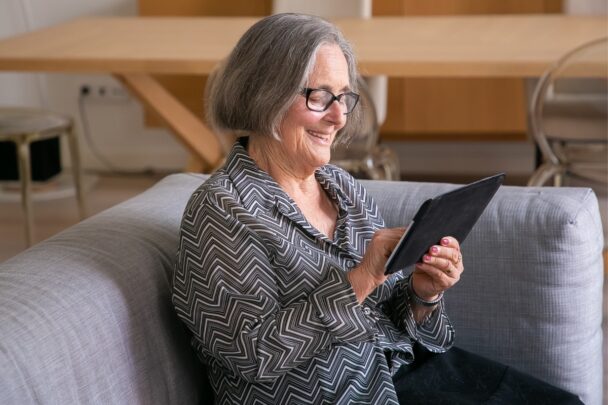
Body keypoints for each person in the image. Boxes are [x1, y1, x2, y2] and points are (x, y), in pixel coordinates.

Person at [172, 13, 582, 405]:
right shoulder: (223, 210)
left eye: (344, 97)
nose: (338, 117)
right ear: (264, 95)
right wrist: (360, 280)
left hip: (399, 374)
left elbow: (389, 315)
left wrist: (425, 293)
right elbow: (250, 354)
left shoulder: (342, 188)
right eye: (319, 96)